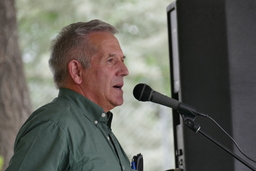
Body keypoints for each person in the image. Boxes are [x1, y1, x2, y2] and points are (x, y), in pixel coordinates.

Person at [6, 19, 134, 171]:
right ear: (76, 71)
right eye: (110, 60)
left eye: (122, 60)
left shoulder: (96, 125)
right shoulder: (55, 125)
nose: (125, 70)